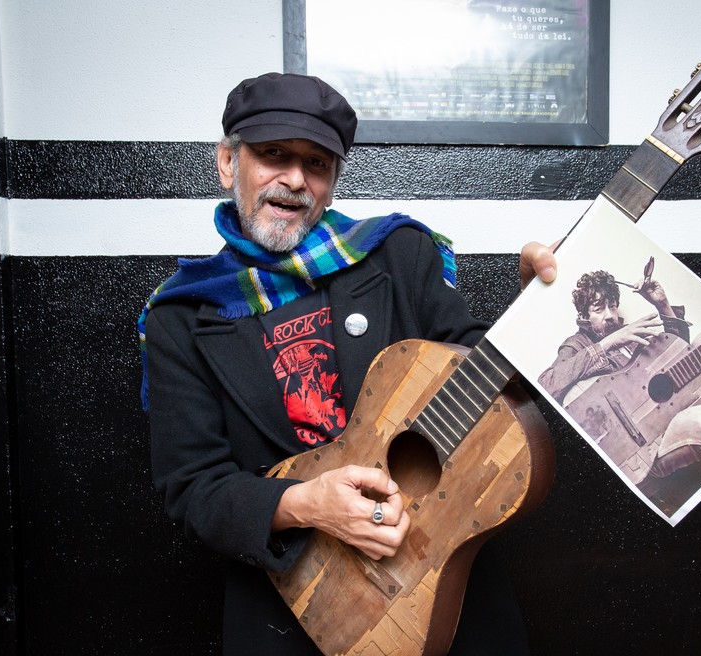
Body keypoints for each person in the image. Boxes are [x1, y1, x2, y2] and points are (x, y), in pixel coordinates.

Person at [138, 72, 557, 654]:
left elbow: (480, 378)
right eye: (272, 154)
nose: (294, 179)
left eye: (316, 163)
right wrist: (307, 504)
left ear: (332, 181)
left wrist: (541, 304)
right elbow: (192, 491)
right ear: (229, 162)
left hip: (443, 586)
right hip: (295, 609)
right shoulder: (181, 317)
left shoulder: (396, 255)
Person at [537, 268, 701, 513]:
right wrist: (607, 344)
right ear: (583, 315)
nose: (610, 314)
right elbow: (547, 384)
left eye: (612, 305)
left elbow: (676, 353)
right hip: (646, 450)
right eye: (598, 308)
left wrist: (662, 306)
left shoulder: (634, 333)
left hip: (670, 413)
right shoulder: (576, 345)